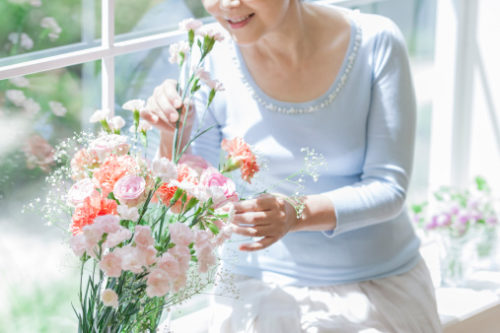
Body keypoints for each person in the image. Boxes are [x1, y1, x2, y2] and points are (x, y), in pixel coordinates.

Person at [141, 0, 442, 332]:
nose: (227, 4)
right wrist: (171, 134)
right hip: (256, 292)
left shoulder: (377, 40)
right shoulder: (208, 50)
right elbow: (197, 199)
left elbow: (389, 187)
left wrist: (294, 213)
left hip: (375, 292)